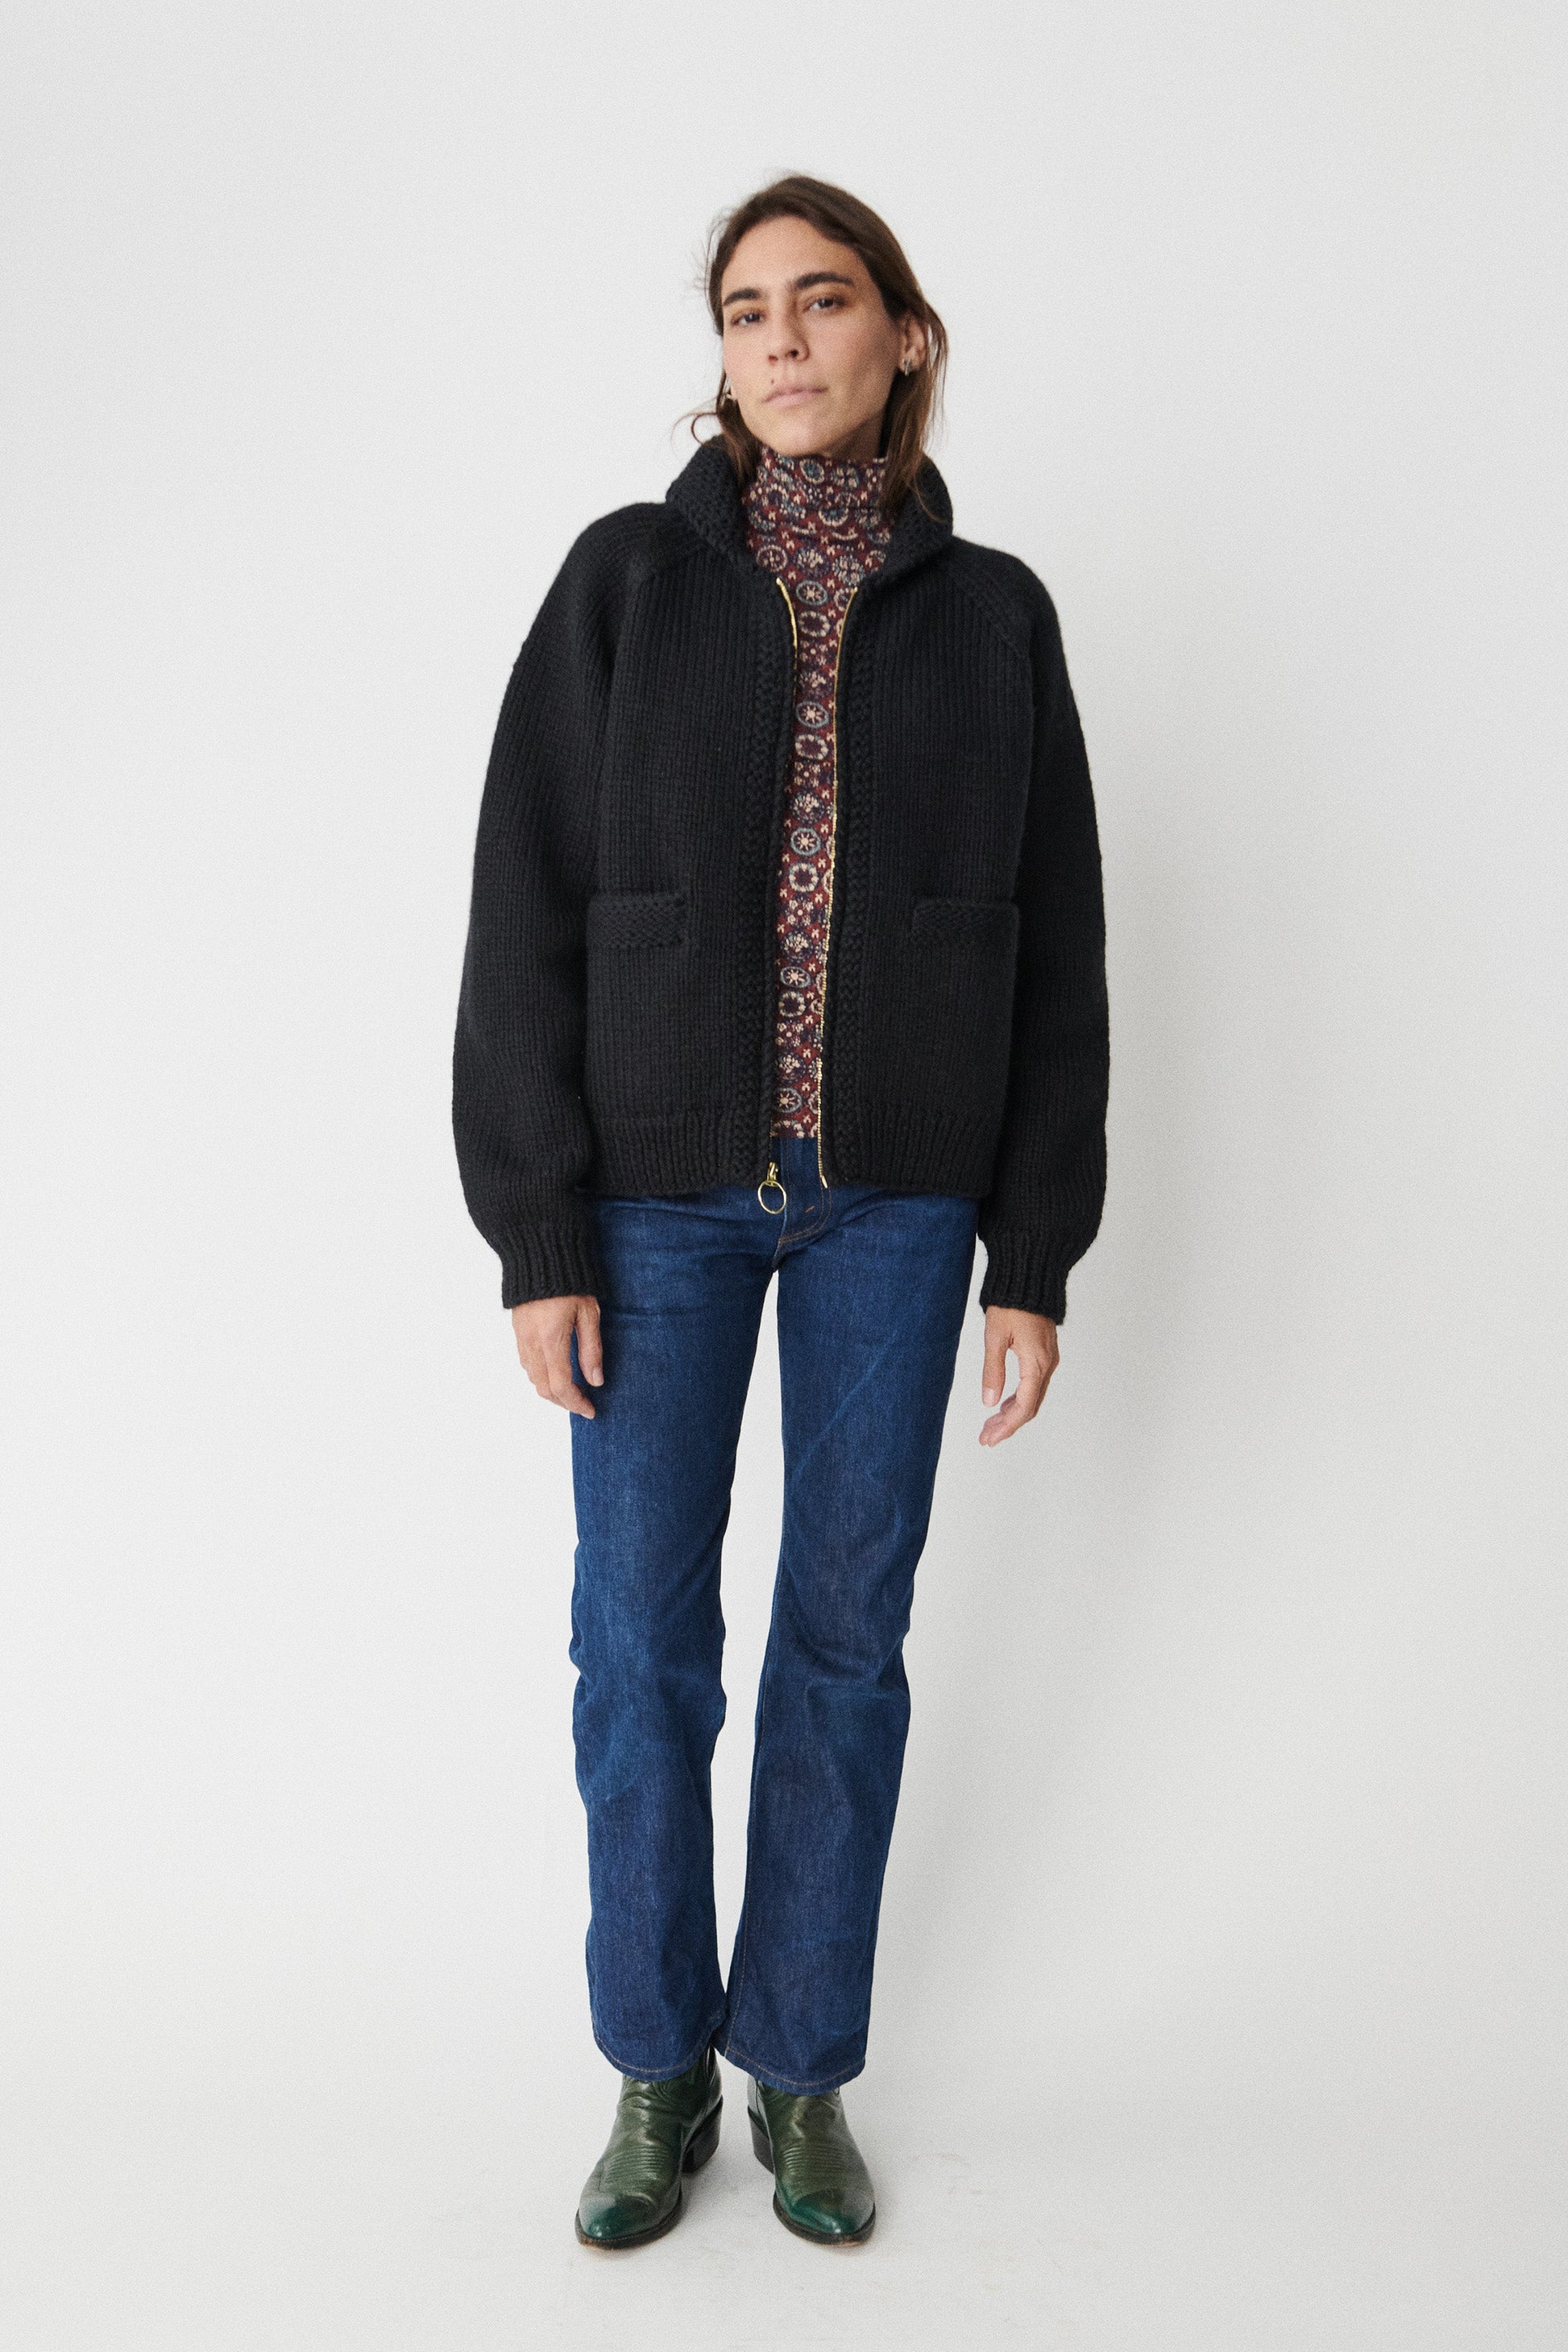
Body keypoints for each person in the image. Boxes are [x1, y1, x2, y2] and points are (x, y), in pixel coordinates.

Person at [453, 172, 1110, 2250]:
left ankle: (801, 2071)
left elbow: (1059, 943)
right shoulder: (627, 584)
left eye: (824, 303)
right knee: (638, 1644)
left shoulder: (994, 617)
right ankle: (657, 2070)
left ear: (903, 336)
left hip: (896, 1206)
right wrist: (539, 1231)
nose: (784, 341)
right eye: (747, 312)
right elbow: (522, 898)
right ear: (722, 355)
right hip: (652, 1198)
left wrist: (1034, 1250)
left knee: (845, 1643)